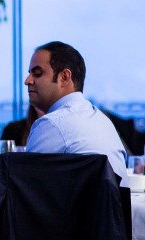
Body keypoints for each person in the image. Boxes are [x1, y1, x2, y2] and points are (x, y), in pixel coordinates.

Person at [24, 41, 128, 185]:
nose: (27, 81)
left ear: (65, 77)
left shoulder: (52, 124)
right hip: (115, 207)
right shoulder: (102, 121)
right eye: (30, 74)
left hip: (80, 208)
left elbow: (25, 189)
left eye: (37, 73)